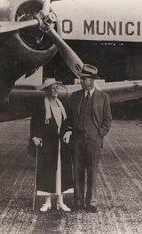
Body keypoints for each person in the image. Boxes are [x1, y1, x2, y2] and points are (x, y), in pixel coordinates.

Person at [66, 64, 112, 213]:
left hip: (94, 140)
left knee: (92, 172)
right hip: (77, 140)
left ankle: (91, 202)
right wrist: (70, 132)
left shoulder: (103, 97)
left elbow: (107, 119)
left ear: (92, 80)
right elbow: (68, 118)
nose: (81, 81)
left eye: (84, 79)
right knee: (77, 170)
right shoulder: (75, 96)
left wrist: (100, 134)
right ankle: (78, 202)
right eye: (81, 79)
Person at [28, 79, 74, 212]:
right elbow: (34, 125)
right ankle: (47, 202)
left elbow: (67, 123)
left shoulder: (62, 104)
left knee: (62, 172)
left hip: (61, 145)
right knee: (47, 171)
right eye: (53, 88)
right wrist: (35, 137)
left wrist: (68, 132)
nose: (56, 90)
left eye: (57, 88)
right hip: (47, 145)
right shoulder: (40, 106)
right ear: (46, 90)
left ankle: (60, 201)